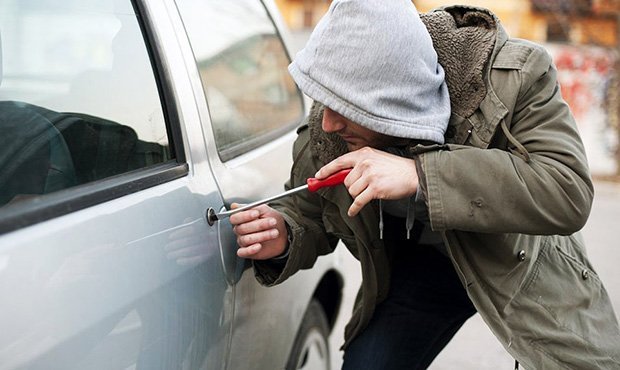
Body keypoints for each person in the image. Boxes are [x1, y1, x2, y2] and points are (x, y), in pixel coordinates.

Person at [230, 1, 620, 369]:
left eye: (345, 109)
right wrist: (284, 233)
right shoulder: (330, 124)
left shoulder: (515, 77)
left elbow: (566, 190)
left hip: (520, 260)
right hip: (423, 270)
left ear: (391, 100)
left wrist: (419, 176)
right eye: (325, 103)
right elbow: (310, 210)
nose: (329, 122)